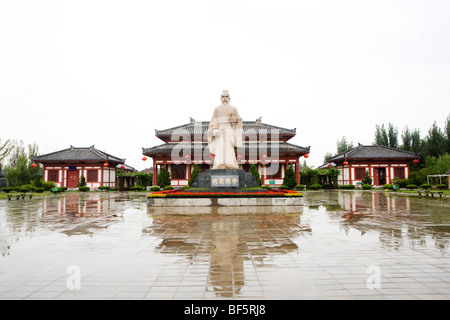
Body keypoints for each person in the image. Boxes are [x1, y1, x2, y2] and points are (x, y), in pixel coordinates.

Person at [207, 90, 243, 169]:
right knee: (220, 149)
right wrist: (214, 131)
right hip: (219, 131)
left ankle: (230, 164)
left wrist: (236, 120)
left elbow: (239, 119)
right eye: (223, 97)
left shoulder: (233, 109)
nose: (224, 99)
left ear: (229, 98)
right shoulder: (217, 109)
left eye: (226, 97)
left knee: (229, 149)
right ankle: (219, 164)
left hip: (229, 130)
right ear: (220, 98)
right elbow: (213, 122)